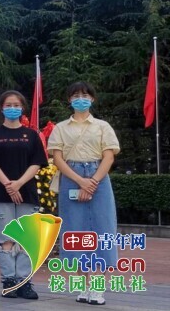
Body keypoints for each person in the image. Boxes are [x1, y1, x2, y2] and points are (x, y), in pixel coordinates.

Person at [47, 82, 119, 306]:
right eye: (76, 95)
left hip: (99, 177)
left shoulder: (103, 126)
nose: (81, 99)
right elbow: (57, 158)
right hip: (71, 176)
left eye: (85, 95)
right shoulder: (60, 128)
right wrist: (80, 181)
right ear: (69, 100)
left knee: (102, 228)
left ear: (92, 99)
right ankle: (82, 285)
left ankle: (97, 287)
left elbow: (109, 156)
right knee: (74, 229)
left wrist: (93, 182)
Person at [0, 90, 48, 300]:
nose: (12, 108)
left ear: (22, 108)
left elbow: (37, 163)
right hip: (2, 193)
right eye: (8, 105)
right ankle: (9, 280)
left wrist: (18, 184)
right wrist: (9, 185)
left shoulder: (31, 135)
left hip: (27, 192)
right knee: (5, 239)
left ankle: (25, 281)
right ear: (1, 108)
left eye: (16, 105)